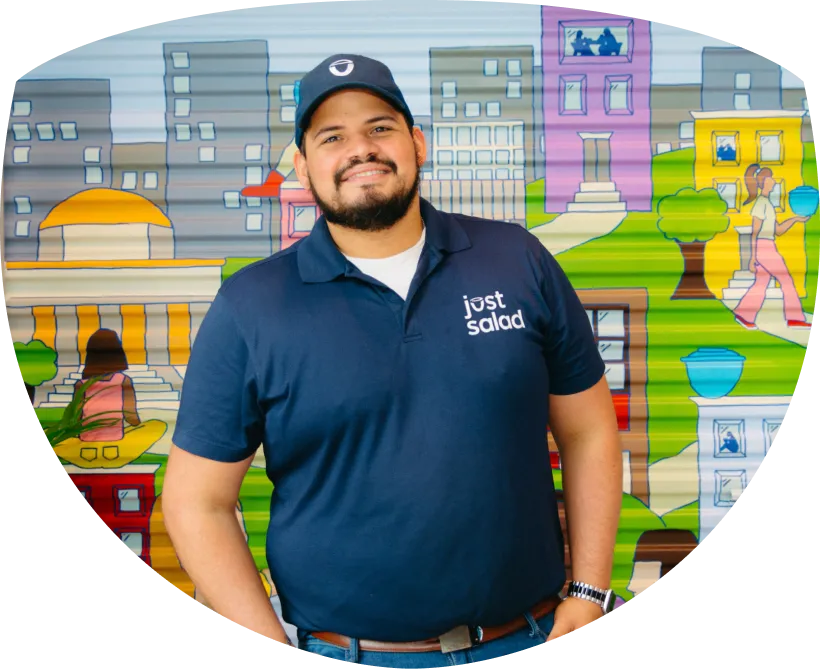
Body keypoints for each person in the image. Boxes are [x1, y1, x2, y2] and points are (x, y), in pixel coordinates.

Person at [162, 53, 624, 668]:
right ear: (303, 166)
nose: (361, 149)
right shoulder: (251, 306)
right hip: (351, 653)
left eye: (379, 127)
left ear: (417, 143)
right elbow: (196, 501)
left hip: (531, 632)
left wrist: (590, 592)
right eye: (332, 137)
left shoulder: (516, 259)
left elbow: (588, 430)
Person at [733, 163, 812, 330]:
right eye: (770, 178)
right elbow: (754, 232)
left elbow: (779, 230)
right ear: (763, 182)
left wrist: (796, 219)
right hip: (764, 247)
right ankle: (794, 318)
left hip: (767, 245)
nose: (773, 181)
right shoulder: (761, 203)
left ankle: (744, 314)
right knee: (786, 280)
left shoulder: (767, 204)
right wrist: (752, 257)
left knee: (761, 283)